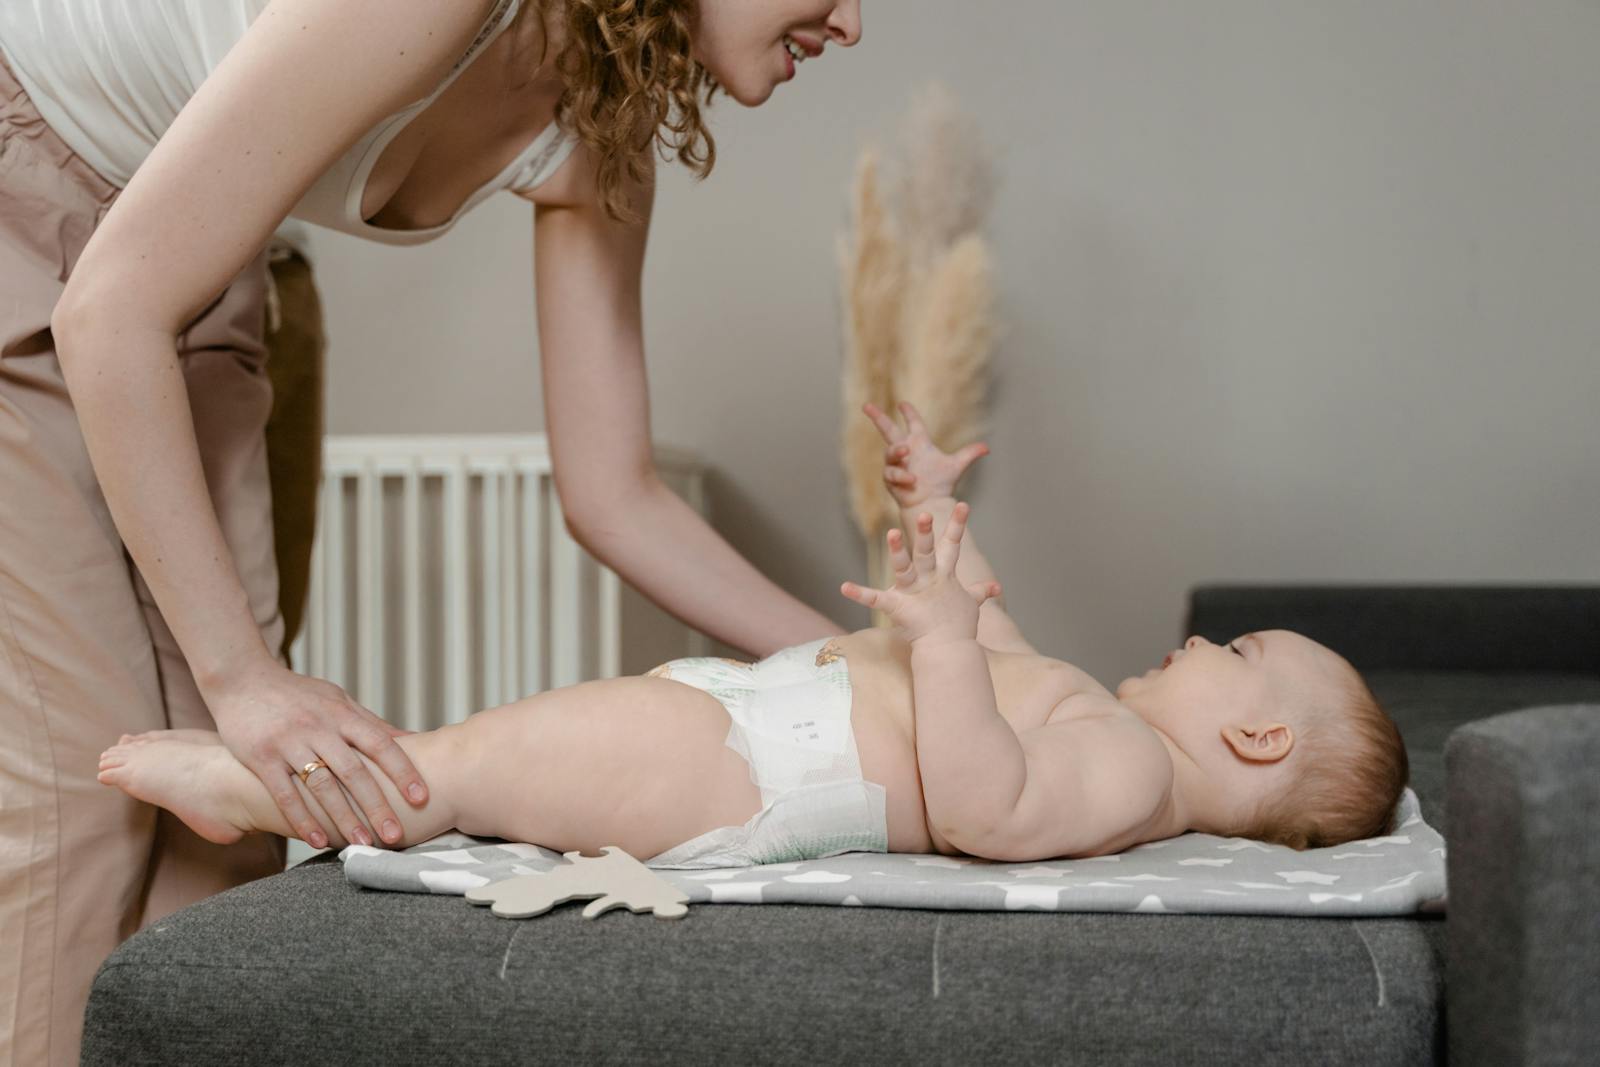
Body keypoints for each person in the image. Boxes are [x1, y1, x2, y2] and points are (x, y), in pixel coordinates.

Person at [0, 2, 860, 1061]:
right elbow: (108, 311)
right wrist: (244, 676)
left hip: (180, 277)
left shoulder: (608, 109)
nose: (853, 20)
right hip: (33, 199)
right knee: (80, 806)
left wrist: (859, 666)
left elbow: (614, 492)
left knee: (228, 817)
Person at [96, 401, 1411, 874]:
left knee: (476, 769)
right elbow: (991, 631)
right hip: (753, 716)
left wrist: (945, 641)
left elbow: (989, 804)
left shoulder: (1132, 775)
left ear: (1256, 734)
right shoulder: (1100, 715)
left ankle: (260, 791)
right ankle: (293, 784)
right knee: (513, 742)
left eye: (1234, 652)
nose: (1205, 644)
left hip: (760, 775)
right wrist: (938, 514)